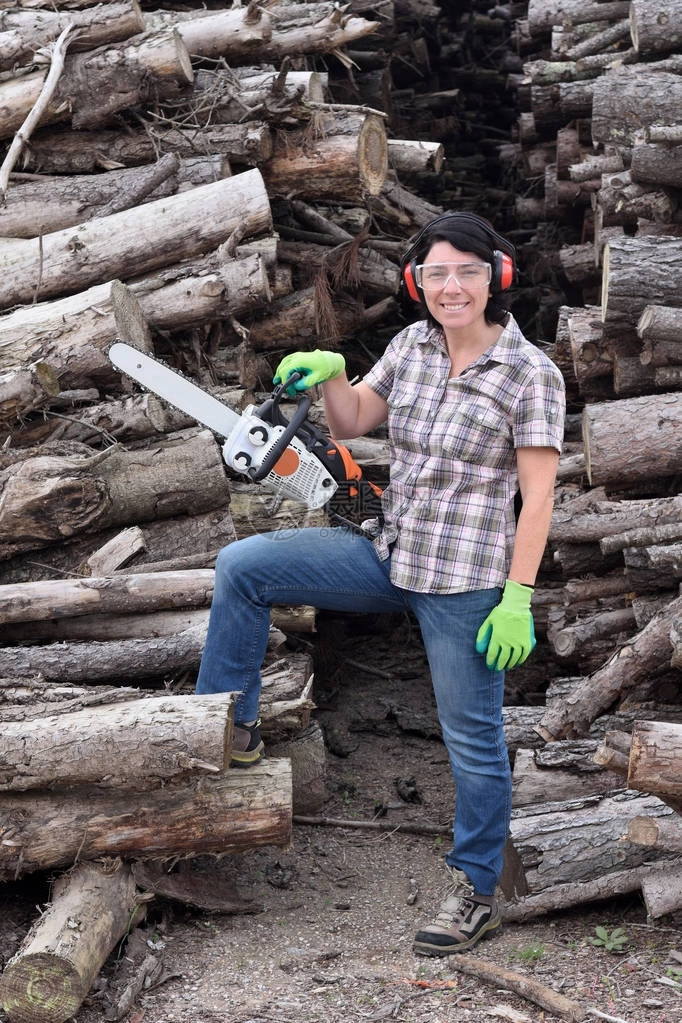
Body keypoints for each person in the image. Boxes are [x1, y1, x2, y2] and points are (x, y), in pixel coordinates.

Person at [196, 211, 566, 956]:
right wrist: (332, 374)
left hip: (464, 579)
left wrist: (518, 596)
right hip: (387, 543)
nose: (450, 285)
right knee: (244, 567)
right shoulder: (412, 345)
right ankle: (230, 723)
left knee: (472, 739)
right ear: (415, 283)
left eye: (466, 270)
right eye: (436, 272)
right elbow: (358, 416)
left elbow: (540, 495)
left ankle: (476, 888)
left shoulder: (531, 374)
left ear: (496, 276)